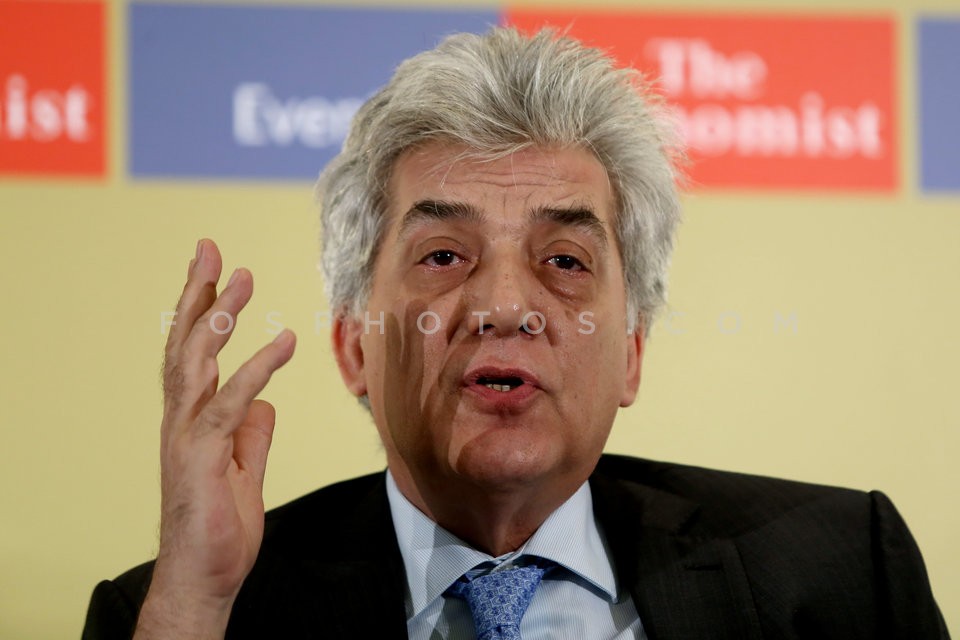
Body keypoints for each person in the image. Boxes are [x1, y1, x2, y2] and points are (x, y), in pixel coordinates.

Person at [83, 27, 948, 639]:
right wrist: (194, 606)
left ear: (632, 353)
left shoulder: (844, 573)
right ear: (355, 346)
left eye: (565, 261)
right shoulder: (189, 609)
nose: (503, 304)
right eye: (444, 255)